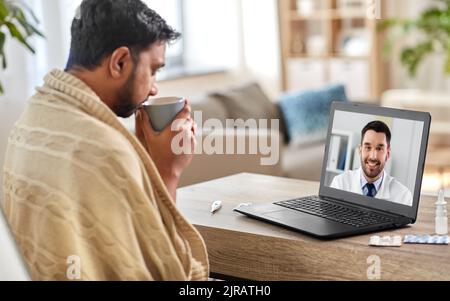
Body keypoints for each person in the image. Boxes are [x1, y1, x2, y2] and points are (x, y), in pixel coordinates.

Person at [2, 0, 208, 280]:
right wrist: (166, 173)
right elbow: (170, 274)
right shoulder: (105, 151)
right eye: (154, 70)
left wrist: (142, 161)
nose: (154, 88)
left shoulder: (33, 117)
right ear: (120, 62)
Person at [330, 121, 413, 206]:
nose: (373, 157)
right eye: (368, 147)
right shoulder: (339, 184)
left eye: (379, 148)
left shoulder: (403, 197)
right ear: (360, 150)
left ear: (387, 154)